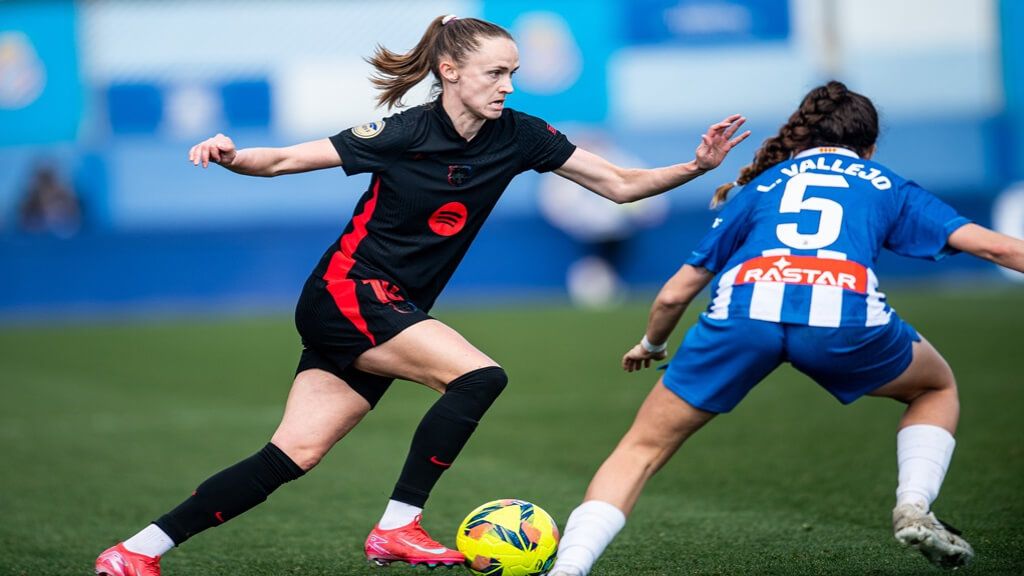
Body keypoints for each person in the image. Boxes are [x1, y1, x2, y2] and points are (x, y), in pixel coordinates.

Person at [93, 14, 750, 576]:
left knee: (292, 454)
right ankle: (398, 526)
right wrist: (231, 154)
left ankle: (135, 553)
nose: (509, 85)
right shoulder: (406, 132)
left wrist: (694, 167)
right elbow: (289, 159)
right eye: (496, 73)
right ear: (451, 71)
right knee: (478, 377)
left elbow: (620, 185)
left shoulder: (521, 135)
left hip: (384, 306)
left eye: (513, 72)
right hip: (347, 292)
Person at [548, 80, 1024, 575]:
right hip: (843, 314)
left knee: (641, 449)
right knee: (935, 386)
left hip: (742, 313)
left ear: (797, 139)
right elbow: (998, 248)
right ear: (870, 146)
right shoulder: (885, 183)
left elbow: (673, 293)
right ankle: (914, 505)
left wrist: (653, 343)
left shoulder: (761, 187)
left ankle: (569, 569)